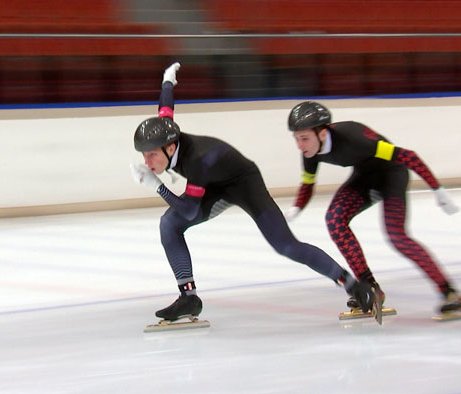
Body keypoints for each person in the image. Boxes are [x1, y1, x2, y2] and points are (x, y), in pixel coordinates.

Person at [130, 63, 381, 324]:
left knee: (286, 246)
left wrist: (158, 186)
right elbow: (166, 108)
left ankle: (352, 284)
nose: (148, 162)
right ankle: (188, 298)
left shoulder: (197, 160)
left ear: (170, 148)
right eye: (144, 155)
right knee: (169, 224)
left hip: (243, 183)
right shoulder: (166, 134)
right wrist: (167, 82)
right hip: (214, 184)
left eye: (151, 155)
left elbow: (191, 209)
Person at [284, 101, 461, 314]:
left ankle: (449, 291)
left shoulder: (355, 138)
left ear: (322, 134)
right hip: (364, 177)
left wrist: (438, 190)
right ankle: (369, 288)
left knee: (397, 237)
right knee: (335, 220)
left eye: (304, 138)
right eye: (296, 138)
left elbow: (408, 156)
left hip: (391, 175)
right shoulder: (310, 151)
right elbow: (308, 183)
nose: (300, 145)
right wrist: (295, 209)